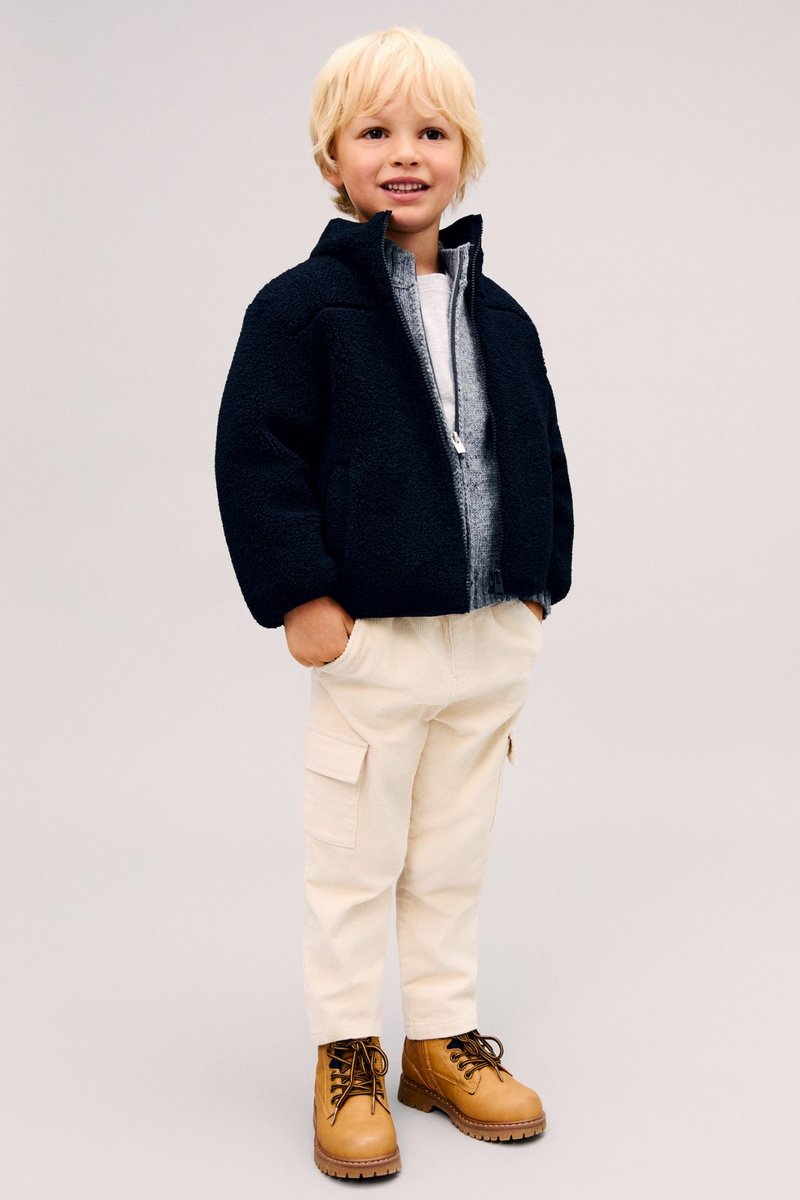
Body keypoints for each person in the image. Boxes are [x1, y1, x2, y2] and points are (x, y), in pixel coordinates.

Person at [215, 26, 574, 1180]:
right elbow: (256, 457)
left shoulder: (500, 316)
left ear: (465, 155)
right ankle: (346, 1052)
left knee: (451, 855)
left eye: (431, 132)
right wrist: (300, 598)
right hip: (371, 647)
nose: (405, 153)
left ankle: (438, 1039)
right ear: (332, 157)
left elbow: (539, 456)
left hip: (485, 643)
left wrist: (539, 589)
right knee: (353, 861)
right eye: (375, 132)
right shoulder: (300, 310)